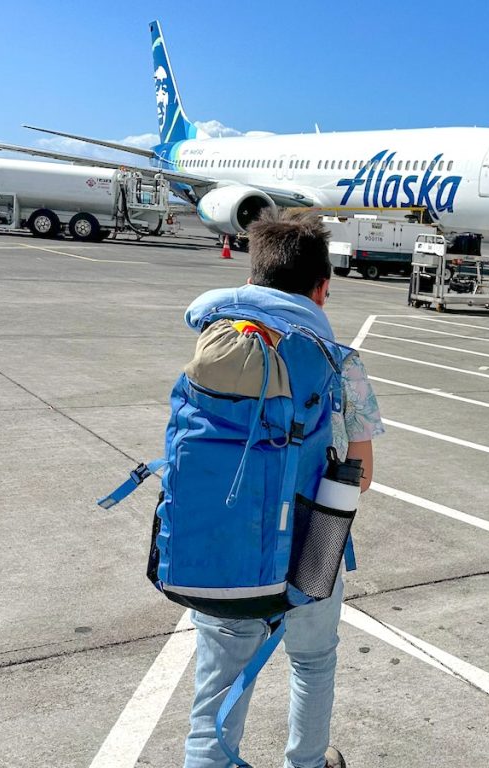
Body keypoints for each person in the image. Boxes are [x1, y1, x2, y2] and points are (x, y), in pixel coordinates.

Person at [182, 210, 384, 768]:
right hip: (311, 549)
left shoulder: (216, 343)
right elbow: (362, 477)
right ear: (322, 289)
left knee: (216, 687)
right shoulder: (341, 365)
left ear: (253, 278)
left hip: (220, 543)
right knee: (313, 663)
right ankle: (306, 762)